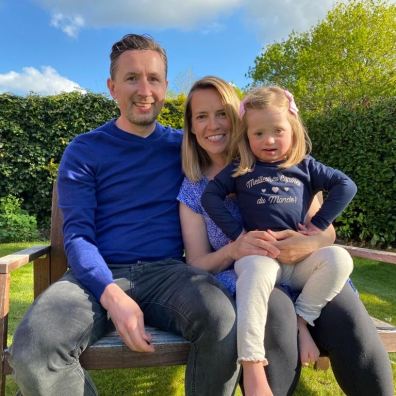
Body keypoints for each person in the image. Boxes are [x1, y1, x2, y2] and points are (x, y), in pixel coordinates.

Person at [8, 34, 240, 396]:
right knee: (33, 350)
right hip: (93, 276)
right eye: (132, 78)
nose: (144, 89)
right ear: (112, 87)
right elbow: (78, 236)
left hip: (169, 274)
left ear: (165, 86)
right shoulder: (85, 150)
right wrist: (111, 295)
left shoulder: (186, 146)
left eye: (154, 78)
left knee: (223, 319)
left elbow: (246, 158)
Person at [178, 76, 394, 396]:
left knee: (346, 312)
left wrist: (307, 241)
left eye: (222, 113)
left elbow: (324, 230)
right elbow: (197, 263)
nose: (214, 124)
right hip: (253, 279)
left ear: (237, 119)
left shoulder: (288, 165)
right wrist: (236, 247)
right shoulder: (194, 190)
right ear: (192, 127)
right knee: (274, 310)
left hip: (305, 274)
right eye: (201, 116)